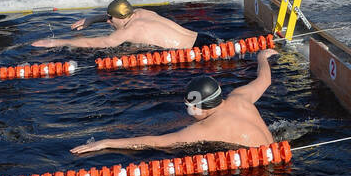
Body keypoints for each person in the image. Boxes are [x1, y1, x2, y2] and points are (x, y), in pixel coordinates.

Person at [70, 51, 275, 156]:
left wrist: (106, 142)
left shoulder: (206, 128)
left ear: (197, 105)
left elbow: (155, 142)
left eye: (187, 104)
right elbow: (264, 80)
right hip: (278, 151)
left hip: (261, 170)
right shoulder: (240, 97)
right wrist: (262, 57)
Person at [31, 0, 220, 51]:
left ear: (120, 18)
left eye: (110, 20)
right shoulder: (141, 13)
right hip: (205, 38)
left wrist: (58, 42)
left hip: (198, 54)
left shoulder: (128, 31)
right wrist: (90, 20)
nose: (108, 22)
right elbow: (112, 16)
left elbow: (94, 43)